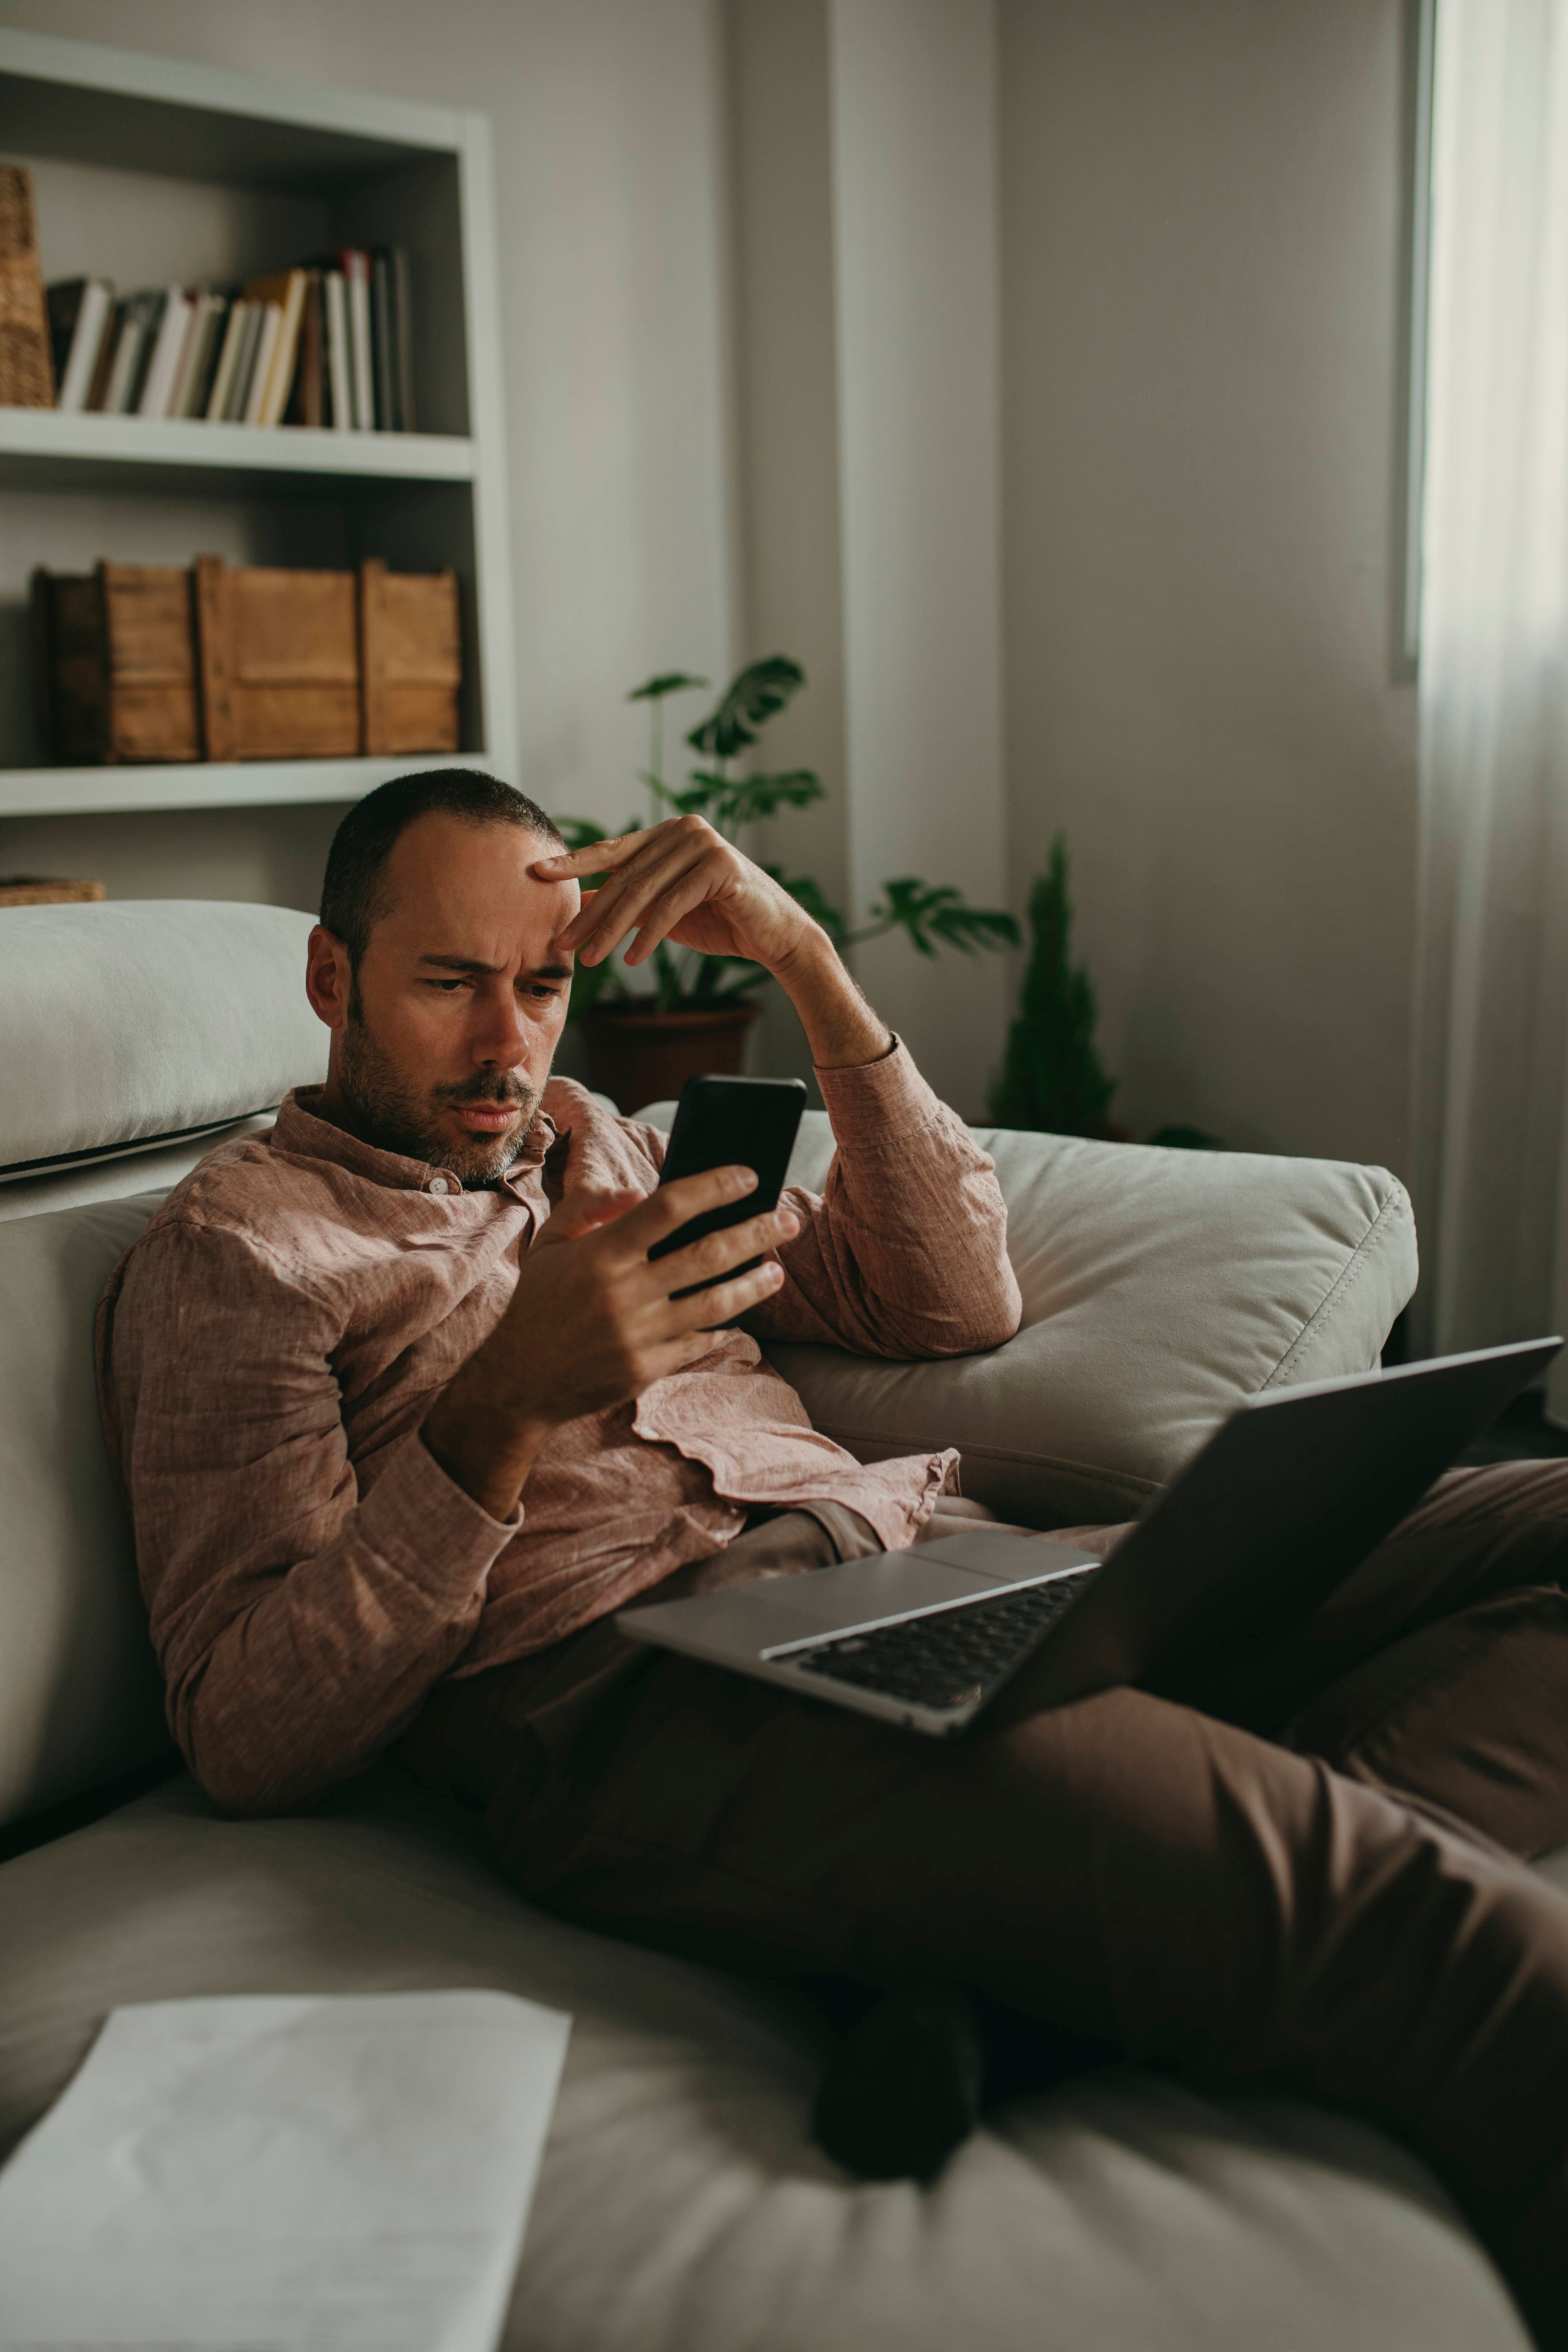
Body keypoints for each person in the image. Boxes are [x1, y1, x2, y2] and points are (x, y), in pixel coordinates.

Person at [98, 768, 1568, 2347]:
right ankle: (1118, 1928)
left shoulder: (599, 1143)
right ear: (332, 979)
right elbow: (246, 1727)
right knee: (1416, 1929)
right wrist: (503, 1405)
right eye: (451, 984)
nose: (509, 1044)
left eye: (545, 987)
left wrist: (804, 960)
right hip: (657, 1688)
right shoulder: (242, 1255)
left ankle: (1046, 1979)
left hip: (946, 1565)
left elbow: (948, 1301)